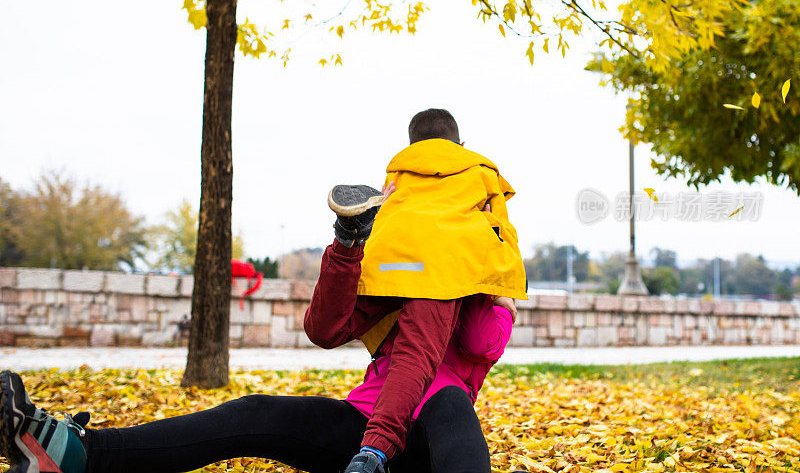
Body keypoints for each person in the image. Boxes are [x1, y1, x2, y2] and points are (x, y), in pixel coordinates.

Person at [0, 209, 517, 473]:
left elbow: (477, 339)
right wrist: (349, 245)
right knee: (255, 411)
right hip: (365, 424)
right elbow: (327, 325)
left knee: (449, 403)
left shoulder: (483, 281)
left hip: (434, 432)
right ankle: (79, 453)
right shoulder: (395, 268)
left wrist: (483, 289)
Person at [324, 109, 526, 472]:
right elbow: (480, 343)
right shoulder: (481, 209)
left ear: (413, 149)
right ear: (461, 148)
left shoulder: (398, 204)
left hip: (371, 397)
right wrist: (497, 297)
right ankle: (374, 453)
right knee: (419, 357)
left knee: (323, 330)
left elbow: (329, 330)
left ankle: (347, 240)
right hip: (430, 407)